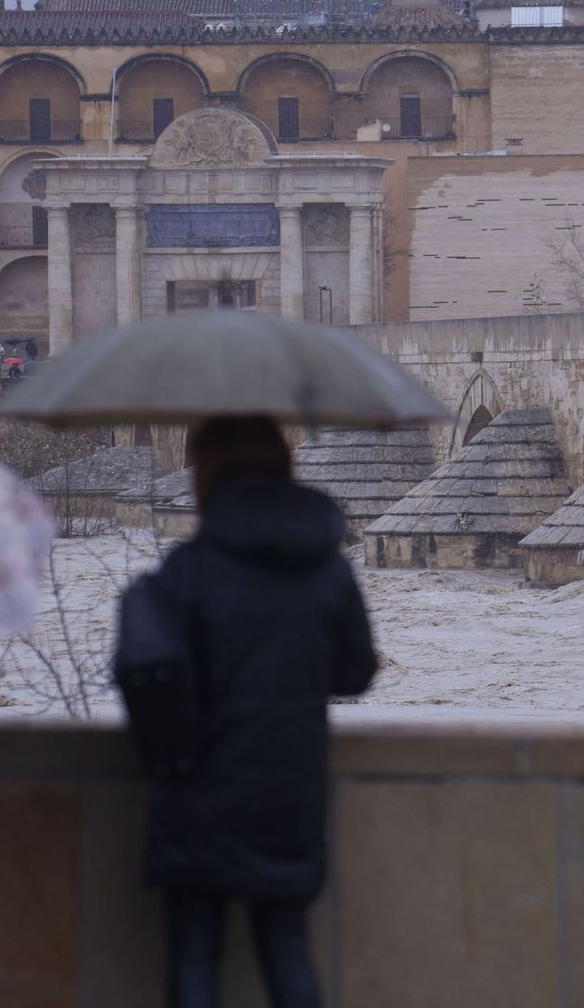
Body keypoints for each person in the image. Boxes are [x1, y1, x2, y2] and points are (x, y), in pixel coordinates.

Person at [116, 417, 376, 1008]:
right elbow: (354, 674)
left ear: (206, 477)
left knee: (194, 959)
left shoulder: (187, 571)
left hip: (197, 789)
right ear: (284, 467)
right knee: (286, 953)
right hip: (289, 789)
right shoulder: (328, 569)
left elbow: (151, 674)